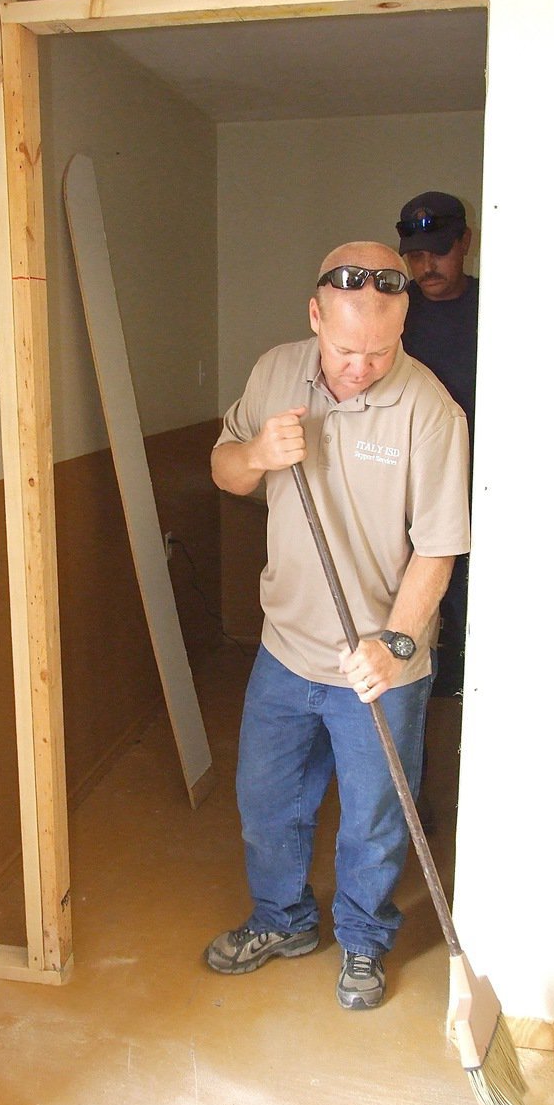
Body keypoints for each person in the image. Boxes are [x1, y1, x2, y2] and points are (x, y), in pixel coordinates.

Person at [204, 242, 470, 1010]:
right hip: (286, 652)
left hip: (381, 666)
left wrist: (393, 645)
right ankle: (282, 919)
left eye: (381, 351)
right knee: (266, 803)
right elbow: (225, 469)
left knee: (377, 818)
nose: (360, 368)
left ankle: (361, 941)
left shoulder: (431, 410)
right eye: (347, 350)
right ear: (315, 317)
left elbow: (439, 548)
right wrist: (256, 451)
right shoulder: (275, 373)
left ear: (403, 327)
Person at [396, 191, 479, 697]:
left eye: (439, 251)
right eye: (416, 254)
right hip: (405, 481)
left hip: (479, 478)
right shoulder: (394, 308)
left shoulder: (496, 309)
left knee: (468, 594)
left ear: (465, 242)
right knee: (409, 596)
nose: (427, 266)